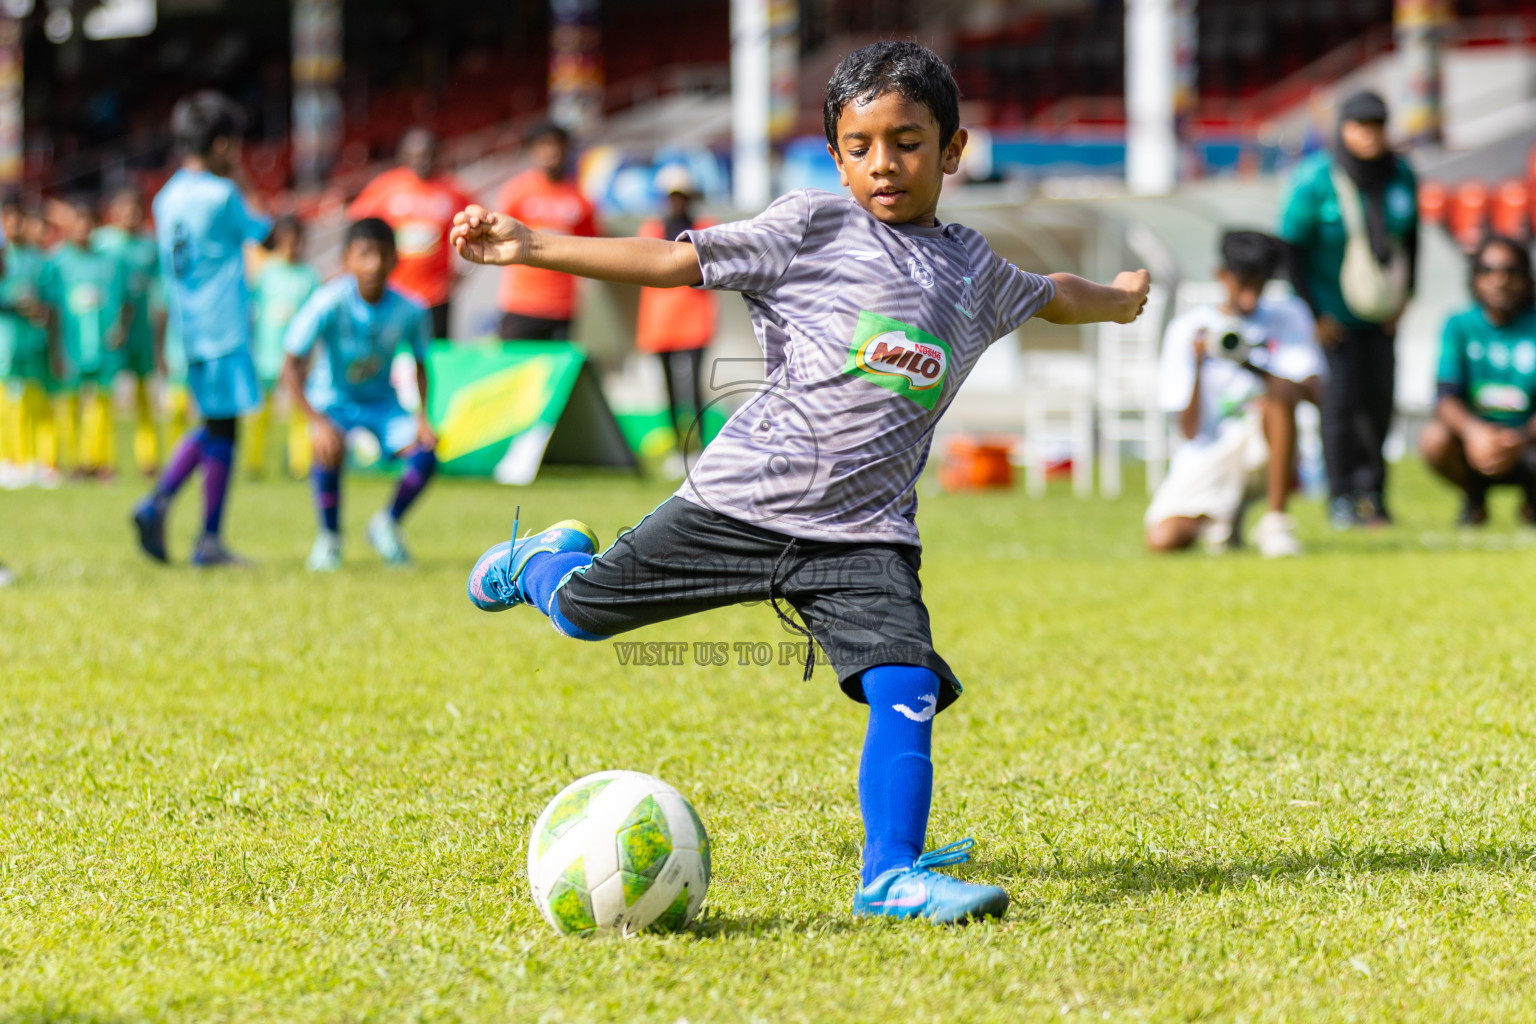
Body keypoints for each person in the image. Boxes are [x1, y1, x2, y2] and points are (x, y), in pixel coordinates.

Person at [452, 41, 1151, 924]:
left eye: (906, 141)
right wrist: (529, 245)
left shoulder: (975, 272)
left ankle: (890, 874)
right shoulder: (810, 227)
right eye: (860, 146)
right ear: (835, 158)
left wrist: (1118, 299)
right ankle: (537, 562)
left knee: (906, 680)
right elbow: (676, 262)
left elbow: (1052, 291)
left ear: (954, 149)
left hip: (864, 538)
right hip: (738, 505)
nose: (883, 164)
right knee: (587, 614)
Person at [132, 91, 271, 567]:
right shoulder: (222, 194)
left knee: (216, 424)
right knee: (221, 426)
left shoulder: (166, 196)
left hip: (187, 328)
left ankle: (189, 525)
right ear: (222, 144)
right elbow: (264, 231)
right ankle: (177, 515)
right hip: (223, 325)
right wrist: (242, 177)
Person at [1279, 89, 1418, 529]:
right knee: (1339, 407)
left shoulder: (1400, 174)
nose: (1369, 136)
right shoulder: (1316, 177)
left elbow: (1411, 241)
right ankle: (1341, 497)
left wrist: (1406, 297)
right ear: (1343, 129)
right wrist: (1313, 313)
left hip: (1381, 313)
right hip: (1332, 315)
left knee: (1380, 404)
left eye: (1377, 126)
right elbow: (1291, 248)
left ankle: (1375, 497)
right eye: (1360, 126)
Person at [1145, 231, 1325, 557]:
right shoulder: (1188, 329)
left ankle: (1275, 521)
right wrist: (1199, 365)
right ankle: (1223, 519)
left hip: (1265, 446)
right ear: (1221, 276)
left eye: (1260, 285)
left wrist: (1249, 364)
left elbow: (1314, 393)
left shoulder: (1289, 316)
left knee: (1275, 400)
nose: (1250, 299)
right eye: (1243, 284)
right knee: (1164, 540)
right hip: (1210, 450)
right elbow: (1188, 430)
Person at [280, 217, 436, 572]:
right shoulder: (328, 301)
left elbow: (422, 363)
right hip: (333, 401)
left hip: (382, 403)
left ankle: (386, 525)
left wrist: (423, 418)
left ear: (395, 260)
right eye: (364, 255)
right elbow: (290, 363)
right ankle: (329, 539)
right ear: (346, 259)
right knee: (328, 445)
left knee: (425, 453)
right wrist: (317, 422)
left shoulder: (411, 309)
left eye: (382, 255)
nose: (374, 265)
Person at [1420, 236, 1536, 525]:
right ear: (1475, 278)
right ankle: (1475, 496)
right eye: (1488, 271)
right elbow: (1445, 396)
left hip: (1528, 442)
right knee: (1434, 439)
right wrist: (1475, 433)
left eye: (1510, 272)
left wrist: (1520, 438)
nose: (1500, 281)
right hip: (1474, 446)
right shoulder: (1458, 325)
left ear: (1526, 279)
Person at [346, 127, 476, 340]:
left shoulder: (453, 191)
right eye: (416, 154)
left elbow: (479, 227)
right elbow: (357, 225)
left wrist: (466, 269)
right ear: (404, 155)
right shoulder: (386, 187)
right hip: (393, 293)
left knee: (432, 358)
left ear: (437, 154)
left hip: (435, 297)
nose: (422, 160)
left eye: (427, 154)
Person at [39, 195, 132, 479]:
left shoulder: (111, 262)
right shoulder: (57, 263)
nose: (82, 230)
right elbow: (51, 309)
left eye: (87, 224)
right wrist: (55, 348)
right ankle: (75, 462)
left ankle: (100, 462)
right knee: (69, 407)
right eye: (77, 224)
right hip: (72, 345)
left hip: (103, 345)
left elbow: (129, 300)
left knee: (102, 406)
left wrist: (121, 330)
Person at [635, 166, 718, 465]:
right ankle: (677, 449)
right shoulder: (651, 230)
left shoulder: (704, 227)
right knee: (668, 387)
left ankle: (698, 449)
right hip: (659, 321)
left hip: (694, 319)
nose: (677, 202)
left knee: (694, 386)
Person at [495, 122, 598, 341]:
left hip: (563, 307)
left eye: (556, 145)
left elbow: (591, 248)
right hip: (521, 304)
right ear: (533, 150)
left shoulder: (581, 199)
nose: (550, 151)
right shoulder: (516, 192)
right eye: (543, 145)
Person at [92, 187, 164, 476]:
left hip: (140, 333)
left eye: (135, 209)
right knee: (103, 397)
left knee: (144, 399)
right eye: (123, 208)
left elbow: (159, 294)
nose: (129, 215)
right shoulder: (102, 244)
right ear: (113, 212)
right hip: (108, 332)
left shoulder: (149, 247)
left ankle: (148, 460)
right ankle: (102, 460)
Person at [247, 215, 319, 479]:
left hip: (297, 357)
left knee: (299, 412)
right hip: (267, 354)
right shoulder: (266, 273)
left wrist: (311, 355)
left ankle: (300, 466)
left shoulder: (309, 276)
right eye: (285, 240)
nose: (290, 246)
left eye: (295, 240)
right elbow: (253, 311)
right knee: (259, 413)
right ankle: (254, 464)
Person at [0, 199, 53, 487]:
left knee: (35, 402)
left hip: (32, 342)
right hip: (6, 344)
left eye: (17, 218)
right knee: (9, 405)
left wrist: (40, 310)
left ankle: (37, 461)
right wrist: (15, 306)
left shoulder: (37, 258)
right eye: (7, 219)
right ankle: (11, 461)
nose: (13, 225)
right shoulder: (3, 257)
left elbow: (48, 298)